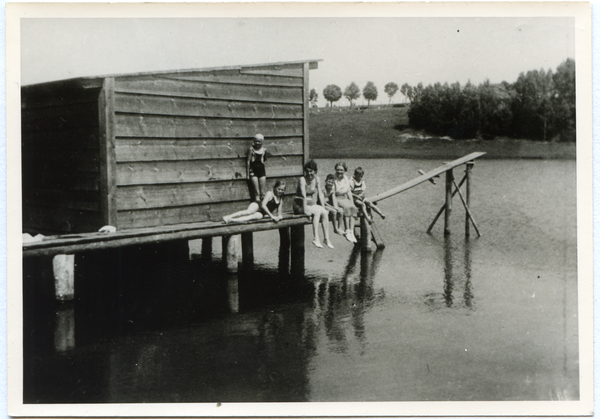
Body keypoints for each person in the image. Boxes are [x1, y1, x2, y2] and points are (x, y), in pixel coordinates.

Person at [294, 160, 334, 249]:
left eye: (311, 171)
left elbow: (320, 193)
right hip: (300, 206)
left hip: (310, 205)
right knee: (316, 211)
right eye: (307, 171)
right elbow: (304, 196)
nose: (309, 173)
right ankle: (316, 238)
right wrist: (305, 211)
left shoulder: (317, 179)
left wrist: (323, 207)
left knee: (324, 212)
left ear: (315, 171)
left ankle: (326, 238)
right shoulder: (302, 180)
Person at [333, 162, 358, 243]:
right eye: (338, 170)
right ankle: (347, 230)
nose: (339, 172)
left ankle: (351, 231)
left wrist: (352, 202)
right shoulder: (333, 178)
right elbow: (332, 193)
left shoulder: (346, 178)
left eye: (341, 170)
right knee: (347, 207)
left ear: (344, 170)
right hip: (336, 198)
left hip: (344, 197)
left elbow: (349, 192)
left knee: (353, 207)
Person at [247, 133, 268, 202]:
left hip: (261, 170)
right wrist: (247, 174)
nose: (257, 143)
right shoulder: (251, 149)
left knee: (263, 192)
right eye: (256, 141)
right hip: (253, 170)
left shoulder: (264, 150)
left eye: (259, 141)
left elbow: (264, 161)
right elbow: (248, 162)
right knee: (256, 192)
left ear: (262, 142)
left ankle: (263, 207)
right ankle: (257, 206)